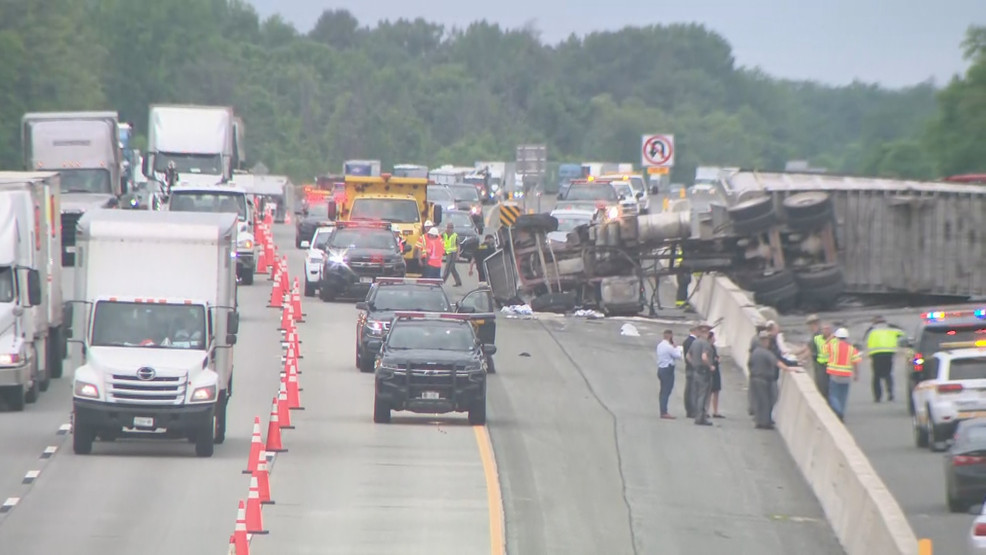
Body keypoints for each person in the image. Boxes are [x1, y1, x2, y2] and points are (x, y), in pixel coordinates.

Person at [749, 330, 795, 429]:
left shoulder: (755, 352)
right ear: (764, 341)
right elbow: (777, 362)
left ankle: (759, 421)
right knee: (767, 401)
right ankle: (765, 423)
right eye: (767, 340)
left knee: (759, 401)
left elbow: (750, 364)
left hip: (755, 378)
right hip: (764, 380)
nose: (768, 342)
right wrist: (788, 368)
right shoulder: (766, 353)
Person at [863, 315, 905, 402]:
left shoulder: (871, 330)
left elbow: (865, 341)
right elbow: (903, 334)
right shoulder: (891, 329)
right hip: (888, 354)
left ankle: (877, 397)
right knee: (888, 374)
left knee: (876, 376)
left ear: (874, 322)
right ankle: (890, 393)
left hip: (876, 355)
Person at [824, 327, 862, 421]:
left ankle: (838, 411)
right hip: (846, 376)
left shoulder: (833, 346)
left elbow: (824, 347)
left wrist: (830, 337)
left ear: (837, 337)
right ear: (846, 337)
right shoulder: (851, 349)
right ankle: (841, 412)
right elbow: (856, 363)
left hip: (835, 375)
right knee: (843, 397)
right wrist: (856, 375)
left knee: (833, 395)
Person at [687, 323, 715, 426]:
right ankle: (701, 417)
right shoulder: (705, 344)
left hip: (696, 371)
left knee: (696, 394)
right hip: (704, 372)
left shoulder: (695, 342)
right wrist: (710, 366)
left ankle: (696, 415)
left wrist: (694, 364)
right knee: (703, 396)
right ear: (706, 333)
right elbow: (704, 357)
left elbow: (688, 356)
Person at [655, 329, 683, 419]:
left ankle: (662, 410)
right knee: (666, 391)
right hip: (668, 369)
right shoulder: (669, 347)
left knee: (663, 390)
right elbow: (678, 355)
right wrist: (676, 347)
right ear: (670, 336)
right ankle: (664, 412)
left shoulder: (660, 345)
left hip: (661, 368)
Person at [682, 326, 698, 418]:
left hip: (688, 367)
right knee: (692, 390)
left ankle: (689, 410)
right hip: (693, 368)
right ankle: (692, 410)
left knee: (688, 390)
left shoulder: (686, 341)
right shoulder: (693, 342)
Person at [708, 331, 724, 418]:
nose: (714, 339)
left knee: (716, 391)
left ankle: (715, 411)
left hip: (716, 370)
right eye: (713, 337)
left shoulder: (713, 347)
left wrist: (717, 358)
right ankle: (706, 410)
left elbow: (715, 356)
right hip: (711, 371)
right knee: (709, 391)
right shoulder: (707, 347)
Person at [441, 222, 462, 287]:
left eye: (450, 228)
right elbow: (438, 237)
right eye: (448, 227)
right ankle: (458, 282)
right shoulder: (444, 234)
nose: (449, 229)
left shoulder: (455, 236)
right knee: (452, 268)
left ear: (452, 228)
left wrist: (458, 255)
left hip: (453, 253)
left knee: (448, 267)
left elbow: (458, 246)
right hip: (447, 253)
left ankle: (443, 280)